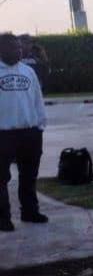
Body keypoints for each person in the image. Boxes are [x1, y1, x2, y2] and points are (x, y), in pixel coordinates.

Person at [0, 33, 48, 232]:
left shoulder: (29, 71)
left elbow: (38, 99)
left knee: (29, 175)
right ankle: (3, 218)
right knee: (1, 179)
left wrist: (40, 125)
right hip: (3, 134)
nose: (19, 50)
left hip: (30, 133)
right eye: (14, 47)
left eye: (20, 47)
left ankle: (30, 211)